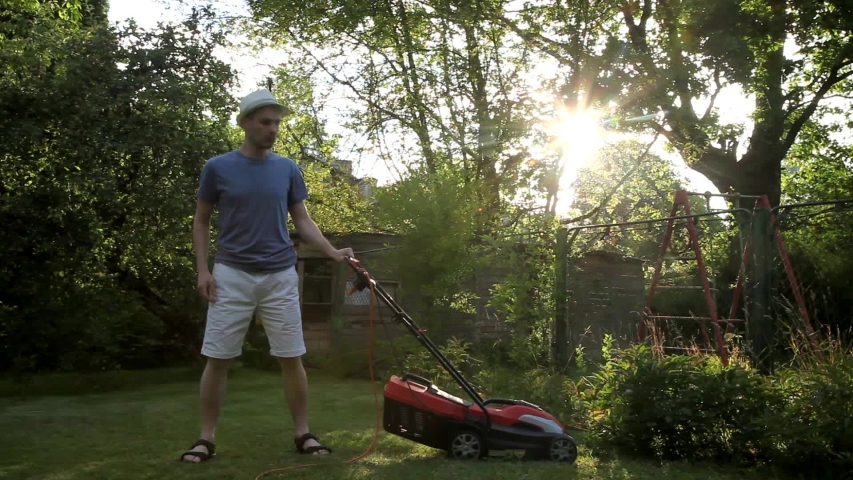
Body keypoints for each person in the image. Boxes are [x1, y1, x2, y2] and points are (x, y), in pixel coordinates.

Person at [179, 88, 354, 463]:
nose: (272, 129)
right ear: (244, 123)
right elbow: (202, 220)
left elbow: (302, 220)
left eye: (276, 122)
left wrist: (330, 251)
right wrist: (203, 270)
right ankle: (206, 438)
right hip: (231, 275)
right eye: (265, 121)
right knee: (218, 357)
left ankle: (303, 434)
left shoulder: (287, 168)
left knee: (291, 357)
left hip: (279, 276)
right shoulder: (218, 168)